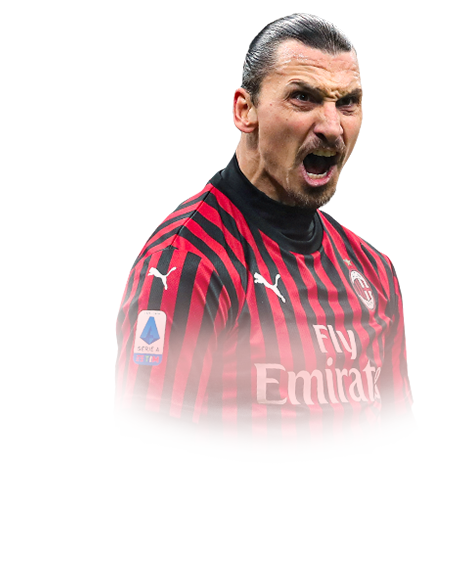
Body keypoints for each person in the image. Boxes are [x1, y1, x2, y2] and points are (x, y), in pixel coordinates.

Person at [107, 13, 435, 509]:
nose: (332, 127)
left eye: (347, 102)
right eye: (303, 98)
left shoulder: (371, 269)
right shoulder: (189, 263)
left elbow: (403, 445)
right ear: (246, 111)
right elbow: (136, 476)